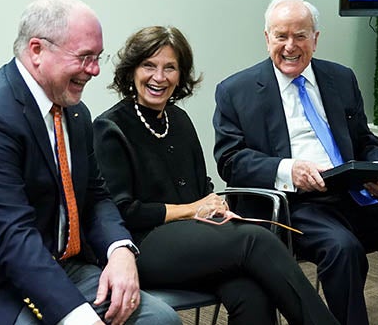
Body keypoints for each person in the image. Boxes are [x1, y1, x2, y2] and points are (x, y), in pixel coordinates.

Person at [0, 0, 181, 325]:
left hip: (55, 264)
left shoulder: (75, 113)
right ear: (37, 50)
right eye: (85, 57)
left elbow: (96, 196)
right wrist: (76, 316)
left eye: (99, 57)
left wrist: (120, 251)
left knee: (160, 319)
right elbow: (11, 236)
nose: (95, 70)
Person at [93, 25, 339, 325]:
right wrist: (193, 209)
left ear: (180, 75)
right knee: (256, 241)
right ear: (132, 70)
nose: (159, 77)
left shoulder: (179, 120)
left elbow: (203, 186)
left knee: (251, 291)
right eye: (149, 66)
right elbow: (124, 212)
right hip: (141, 247)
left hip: (191, 241)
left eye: (170, 68)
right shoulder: (109, 128)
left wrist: (214, 203)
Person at [213, 0, 378, 325]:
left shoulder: (341, 79)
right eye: (281, 36)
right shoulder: (235, 91)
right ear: (267, 38)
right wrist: (288, 169)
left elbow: (367, 141)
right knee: (343, 249)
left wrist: (377, 167)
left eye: (300, 35)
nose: (290, 45)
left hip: (354, 195)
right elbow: (230, 160)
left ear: (316, 39)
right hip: (296, 205)